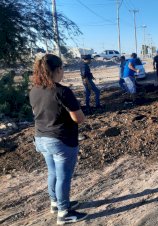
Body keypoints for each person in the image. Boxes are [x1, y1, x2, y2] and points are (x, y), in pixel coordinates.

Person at [29, 54, 87, 224]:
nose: (63, 72)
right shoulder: (63, 91)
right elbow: (79, 118)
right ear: (57, 69)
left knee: (53, 173)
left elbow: (37, 113)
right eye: (62, 69)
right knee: (63, 176)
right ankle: (64, 213)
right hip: (61, 140)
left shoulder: (34, 90)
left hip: (41, 138)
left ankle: (55, 203)